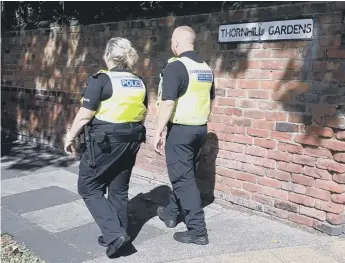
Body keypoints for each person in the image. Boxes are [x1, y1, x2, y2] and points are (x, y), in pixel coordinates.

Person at [64, 37, 147, 258]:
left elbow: (84, 115)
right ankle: (119, 233)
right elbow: (142, 111)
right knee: (118, 189)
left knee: (88, 187)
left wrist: (69, 137)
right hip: (132, 140)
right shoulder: (138, 81)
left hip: (106, 142)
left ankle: (114, 235)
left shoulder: (101, 79)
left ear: (108, 55)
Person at [153, 26, 215, 245]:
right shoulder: (206, 68)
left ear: (177, 42)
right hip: (200, 129)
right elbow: (210, 99)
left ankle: (198, 231)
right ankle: (171, 212)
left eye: (172, 41)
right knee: (187, 175)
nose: (171, 45)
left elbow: (168, 102)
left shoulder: (176, 67)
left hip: (180, 131)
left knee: (183, 179)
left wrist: (158, 131)